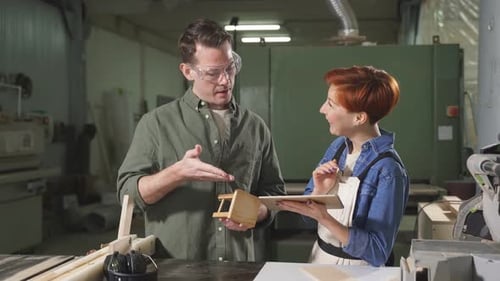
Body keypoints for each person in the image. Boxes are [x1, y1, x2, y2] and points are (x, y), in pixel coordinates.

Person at [117, 18, 286, 262]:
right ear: (188, 71)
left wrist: (257, 212)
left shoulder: (255, 127)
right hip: (175, 268)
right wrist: (177, 174)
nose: (225, 80)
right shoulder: (156, 124)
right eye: (213, 73)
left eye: (230, 68)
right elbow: (128, 194)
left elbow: (273, 194)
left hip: (239, 267)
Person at [277, 66, 409, 267]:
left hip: (359, 271)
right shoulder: (338, 147)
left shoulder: (388, 171)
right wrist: (320, 192)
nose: (322, 109)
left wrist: (325, 217)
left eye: (331, 104)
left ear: (359, 118)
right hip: (320, 260)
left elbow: (377, 252)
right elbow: (309, 220)